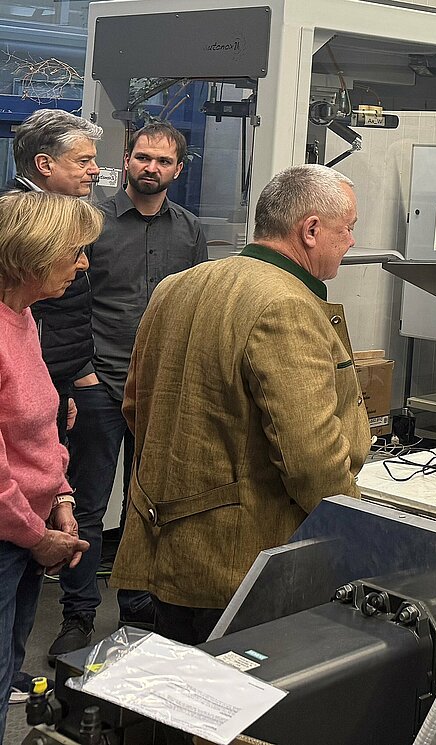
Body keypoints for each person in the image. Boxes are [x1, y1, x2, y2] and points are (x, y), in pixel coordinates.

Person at [113, 165, 371, 645]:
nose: (351, 242)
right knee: (240, 707)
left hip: (169, 546)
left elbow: (136, 407)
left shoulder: (175, 286)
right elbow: (310, 458)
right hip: (243, 561)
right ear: (310, 230)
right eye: (347, 228)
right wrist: (350, 533)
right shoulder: (287, 305)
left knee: (177, 700)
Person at [48, 122, 206, 661]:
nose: (150, 168)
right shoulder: (91, 225)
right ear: (127, 159)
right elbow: (67, 304)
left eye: (163, 161)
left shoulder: (189, 231)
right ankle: (77, 615)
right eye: (142, 157)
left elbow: (193, 311)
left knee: (149, 502)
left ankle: (139, 608)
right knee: (86, 504)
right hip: (100, 385)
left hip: (160, 390)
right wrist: (82, 374)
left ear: (178, 170)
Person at [0, 191, 97, 727]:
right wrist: (37, 539)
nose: (83, 264)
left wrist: (59, 495)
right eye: (75, 251)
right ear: (33, 253)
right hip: (11, 534)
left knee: (10, 663)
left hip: (26, 530)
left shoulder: (25, 317)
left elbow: (37, 430)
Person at [8, 110, 102, 445]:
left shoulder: (60, 214)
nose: (95, 171)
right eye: (83, 161)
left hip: (52, 380)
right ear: (45, 165)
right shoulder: (21, 223)